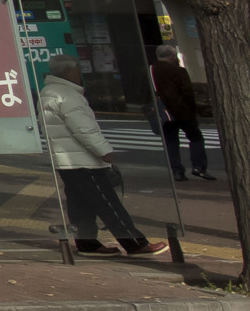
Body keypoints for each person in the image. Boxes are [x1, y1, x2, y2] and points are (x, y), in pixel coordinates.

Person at [38, 55, 160, 256]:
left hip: (65, 158)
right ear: (68, 72)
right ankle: (135, 243)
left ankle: (88, 244)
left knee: (81, 204)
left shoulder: (48, 92)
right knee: (107, 202)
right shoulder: (67, 95)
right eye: (77, 69)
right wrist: (104, 151)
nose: (80, 73)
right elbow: (83, 129)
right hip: (83, 160)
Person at [152, 48, 210, 182]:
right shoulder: (178, 71)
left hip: (162, 113)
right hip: (181, 111)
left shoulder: (150, 72)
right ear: (172, 56)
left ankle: (177, 172)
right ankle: (198, 167)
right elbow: (188, 93)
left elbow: (144, 93)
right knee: (196, 137)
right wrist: (193, 111)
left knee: (171, 142)